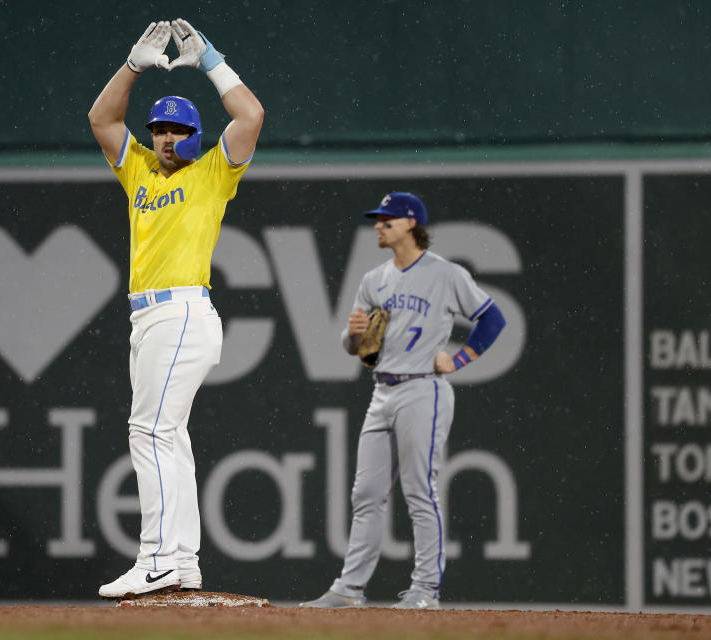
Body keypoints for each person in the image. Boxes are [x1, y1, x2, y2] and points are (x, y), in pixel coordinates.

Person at [88, 19, 263, 599]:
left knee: (150, 431)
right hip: (148, 318)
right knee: (171, 437)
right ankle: (181, 560)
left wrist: (211, 62)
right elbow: (101, 119)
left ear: (194, 135)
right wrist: (133, 66)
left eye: (176, 129)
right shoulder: (136, 166)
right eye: (159, 129)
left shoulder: (213, 172)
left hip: (183, 311)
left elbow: (251, 116)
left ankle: (157, 558)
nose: (165, 138)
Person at [300, 192, 507, 609]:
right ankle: (349, 589)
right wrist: (354, 332)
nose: (378, 224)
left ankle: (425, 590)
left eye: (387, 219)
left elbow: (493, 318)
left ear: (411, 223)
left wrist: (461, 356)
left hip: (422, 389)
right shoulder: (373, 280)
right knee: (367, 493)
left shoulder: (445, 274)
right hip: (382, 390)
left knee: (419, 491)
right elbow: (355, 349)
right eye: (378, 219)